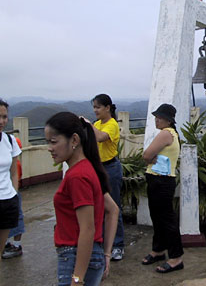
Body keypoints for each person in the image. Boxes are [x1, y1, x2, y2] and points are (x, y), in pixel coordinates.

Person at [45, 112, 119, 285]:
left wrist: (77, 278)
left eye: (54, 142)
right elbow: (113, 210)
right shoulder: (87, 168)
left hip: (74, 256)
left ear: (74, 140)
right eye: (48, 142)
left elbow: (87, 229)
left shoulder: (77, 176)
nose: (49, 148)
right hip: (91, 254)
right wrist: (106, 254)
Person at [142, 103, 184, 274]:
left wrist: (149, 158)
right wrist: (150, 158)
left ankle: (176, 258)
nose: (156, 120)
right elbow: (148, 156)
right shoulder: (170, 134)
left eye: (159, 117)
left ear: (168, 120)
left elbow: (146, 155)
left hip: (161, 181)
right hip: (157, 180)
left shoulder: (166, 134)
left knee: (166, 220)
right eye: (156, 117)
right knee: (158, 218)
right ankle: (158, 250)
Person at [84, 94, 125, 262]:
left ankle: (118, 245)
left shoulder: (112, 125)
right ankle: (103, 242)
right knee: (99, 207)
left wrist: (88, 125)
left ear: (107, 108)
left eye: (98, 107)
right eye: (94, 107)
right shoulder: (98, 124)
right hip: (98, 168)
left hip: (111, 168)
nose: (95, 110)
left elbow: (100, 137)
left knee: (113, 207)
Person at [0, 99, 21, 262]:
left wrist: (14, 193)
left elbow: (13, 172)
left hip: (7, 201)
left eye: (4, 117)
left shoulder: (9, 141)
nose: (2, 121)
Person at [2, 136, 24, 259]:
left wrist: (14, 193)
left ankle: (15, 245)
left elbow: (15, 175)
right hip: (10, 193)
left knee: (16, 219)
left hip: (10, 195)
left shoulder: (15, 163)